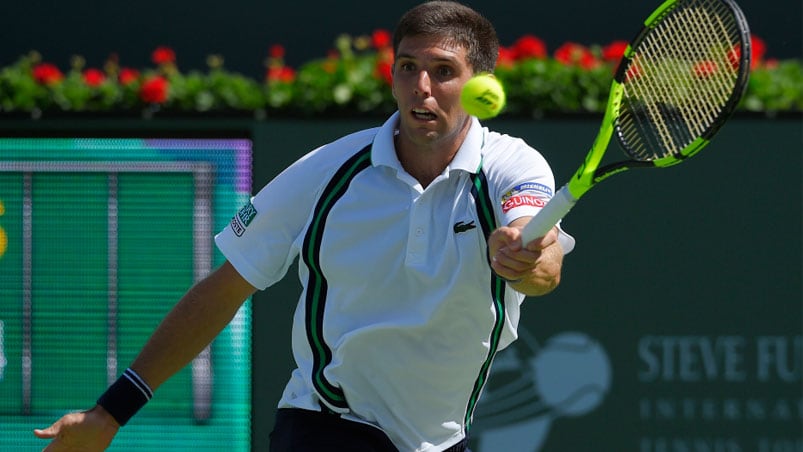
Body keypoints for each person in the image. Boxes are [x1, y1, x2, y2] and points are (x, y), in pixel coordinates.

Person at [34, 1, 575, 451]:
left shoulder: (514, 167)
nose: (421, 87)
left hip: (441, 438)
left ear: (480, 83)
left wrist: (524, 258)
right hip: (327, 424)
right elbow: (224, 288)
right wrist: (112, 411)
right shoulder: (327, 172)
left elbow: (540, 258)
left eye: (443, 71)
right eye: (407, 67)